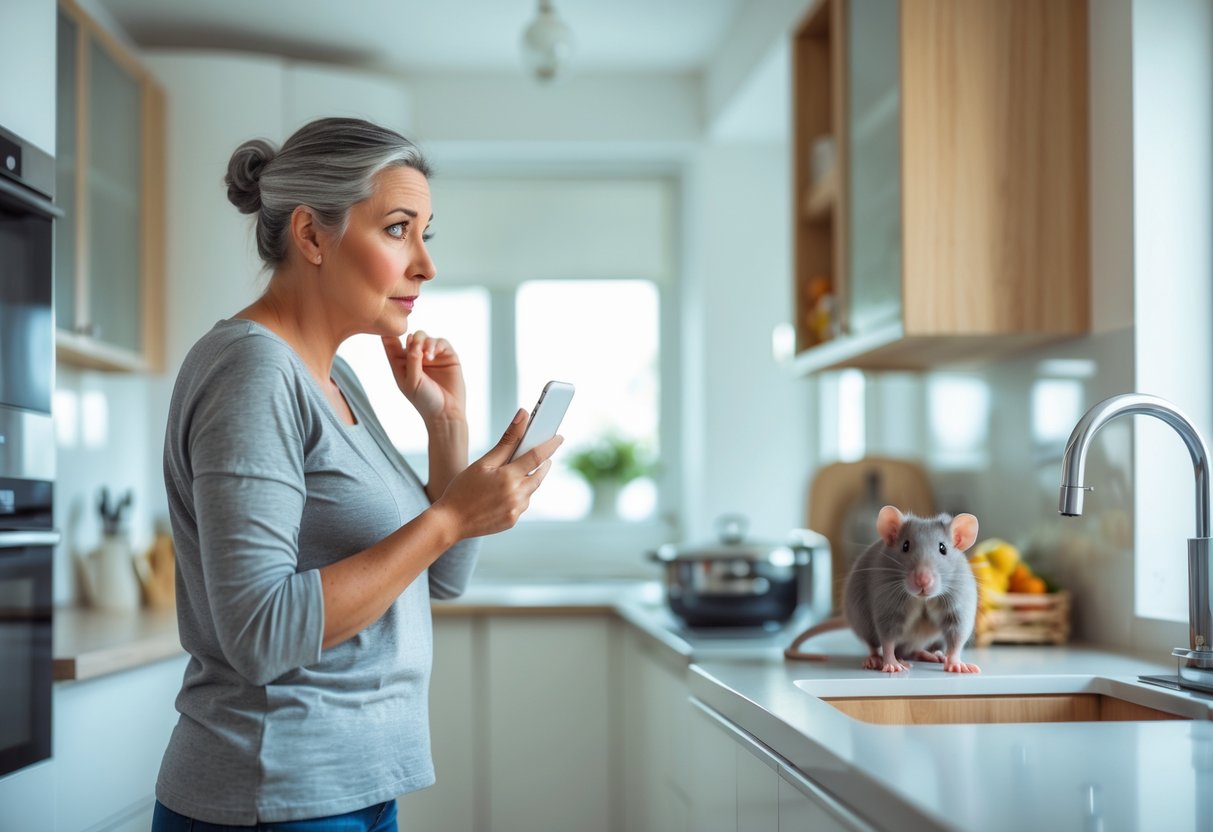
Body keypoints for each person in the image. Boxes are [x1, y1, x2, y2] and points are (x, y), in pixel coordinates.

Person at [151, 117, 561, 831]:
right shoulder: (253, 372)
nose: (426, 266)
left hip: (355, 789)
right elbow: (260, 633)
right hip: (275, 793)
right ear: (312, 236)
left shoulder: (334, 376)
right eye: (399, 229)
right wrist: (450, 516)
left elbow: (441, 576)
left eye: (426, 234)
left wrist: (446, 427)